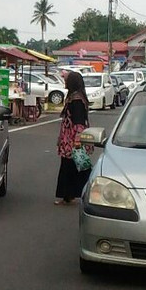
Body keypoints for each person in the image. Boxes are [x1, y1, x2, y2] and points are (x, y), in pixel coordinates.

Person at [55, 70, 92, 205]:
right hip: (69, 137)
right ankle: (69, 195)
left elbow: (78, 122)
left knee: (70, 167)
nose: (65, 82)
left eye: (66, 80)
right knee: (75, 166)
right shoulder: (76, 97)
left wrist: (77, 139)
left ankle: (69, 194)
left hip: (72, 139)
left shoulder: (76, 100)